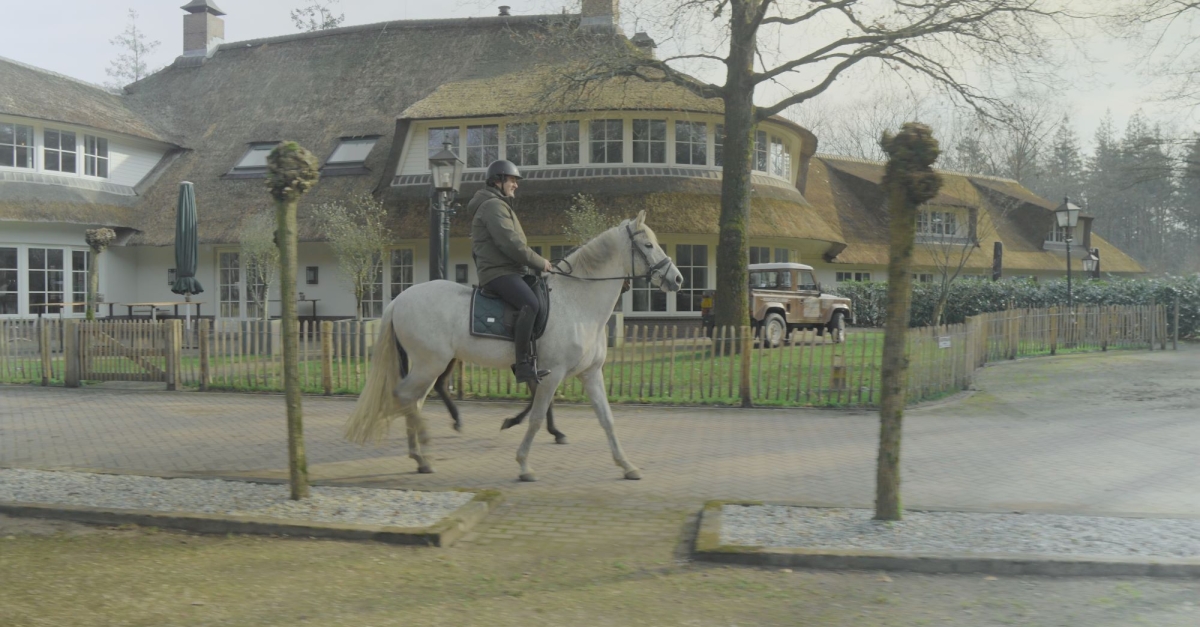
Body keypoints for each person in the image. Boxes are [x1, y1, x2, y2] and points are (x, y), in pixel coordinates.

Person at [468, 159, 553, 384]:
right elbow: (511, 244)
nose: (516, 185)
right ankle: (523, 365)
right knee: (530, 304)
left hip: (508, 269)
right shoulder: (493, 206)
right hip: (498, 272)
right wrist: (539, 262)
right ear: (498, 181)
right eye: (512, 180)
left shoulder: (498, 204)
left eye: (516, 181)